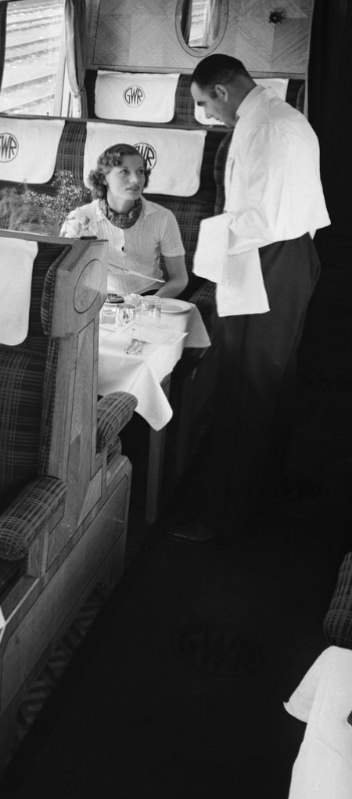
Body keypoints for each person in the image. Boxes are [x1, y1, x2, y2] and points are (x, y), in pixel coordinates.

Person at [173, 54, 329, 542]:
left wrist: (202, 243)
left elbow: (262, 221)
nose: (206, 115)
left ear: (222, 91)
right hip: (271, 260)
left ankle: (224, 519)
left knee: (247, 388)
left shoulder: (269, 130)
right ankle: (264, 494)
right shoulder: (271, 116)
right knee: (269, 385)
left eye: (204, 104)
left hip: (269, 265)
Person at [61, 143, 188, 299]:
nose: (135, 180)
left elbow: (179, 279)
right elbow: (66, 277)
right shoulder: (79, 219)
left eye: (140, 171)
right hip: (98, 299)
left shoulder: (163, 218)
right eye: (124, 172)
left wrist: (148, 303)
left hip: (151, 297)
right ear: (104, 177)